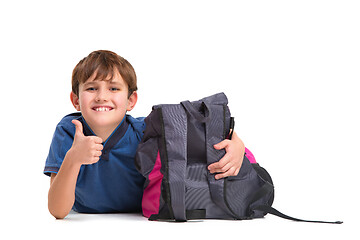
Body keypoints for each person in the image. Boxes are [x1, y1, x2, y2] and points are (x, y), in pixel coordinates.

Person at [44, 50, 245, 219]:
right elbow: (58, 211)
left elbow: (201, 132)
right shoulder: (69, 131)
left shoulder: (145, 129)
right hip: (87, 220)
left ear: (131, 100)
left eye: (113, 88)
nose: (102, 96)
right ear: (76, 100)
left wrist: (237, 144)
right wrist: (73, 159)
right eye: (91, 88)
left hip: (145, 220)